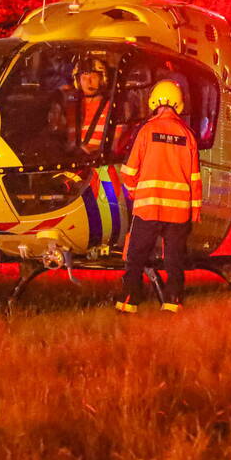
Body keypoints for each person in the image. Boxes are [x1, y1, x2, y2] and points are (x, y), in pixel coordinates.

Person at [115, 79, 202, 314]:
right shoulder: (187, 135)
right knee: (174, 259)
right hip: (179, 211)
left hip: (148, 207)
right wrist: (194, 211)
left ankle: (130, 300)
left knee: (136, 256)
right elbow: (195, 178)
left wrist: (136, 193)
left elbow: (128, 172)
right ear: (179, 104)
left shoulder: (146, 131)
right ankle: (173, 301)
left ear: (153, 102)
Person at [62, 55, 113, 154]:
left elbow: (115, 146)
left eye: (93, 77)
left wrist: (91, 150)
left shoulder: (111, 107)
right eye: (84, 78)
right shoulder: (71, 107)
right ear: (78, 82)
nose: (89, 82)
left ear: (102, 79)